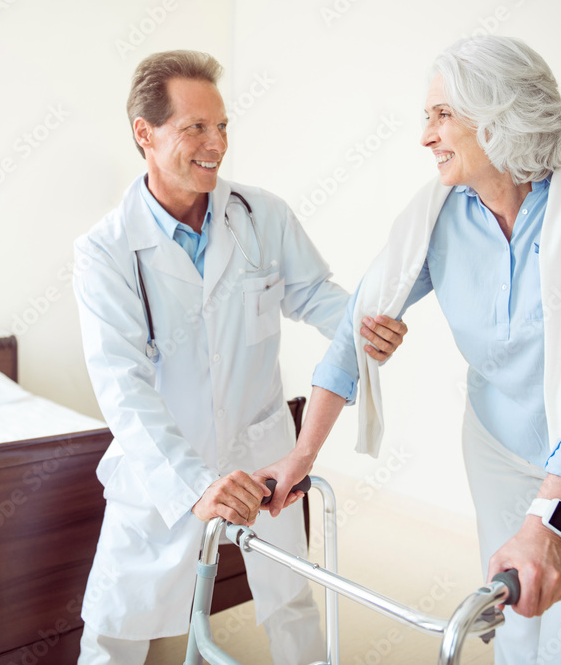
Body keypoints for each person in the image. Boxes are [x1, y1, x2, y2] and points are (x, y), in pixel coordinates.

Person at [258, 36, 561, 665]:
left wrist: (548, 525)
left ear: (501, 113)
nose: (425, 135)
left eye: (442, 114)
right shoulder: (440, 215)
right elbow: (355, 328)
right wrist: (301, 454)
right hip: (500, 449)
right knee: (511, 631)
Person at [72, 50, 407, 664]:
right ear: (144, 134)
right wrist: (194, 484)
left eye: (221, 125)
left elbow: (313, 296)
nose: (216, 143)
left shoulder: (261, 215)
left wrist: (362, 329)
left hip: (261, 451)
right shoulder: (106, 251)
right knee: (118, 625)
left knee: (290, 600)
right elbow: (123, 386)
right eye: (194, 127)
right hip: (163, 465)